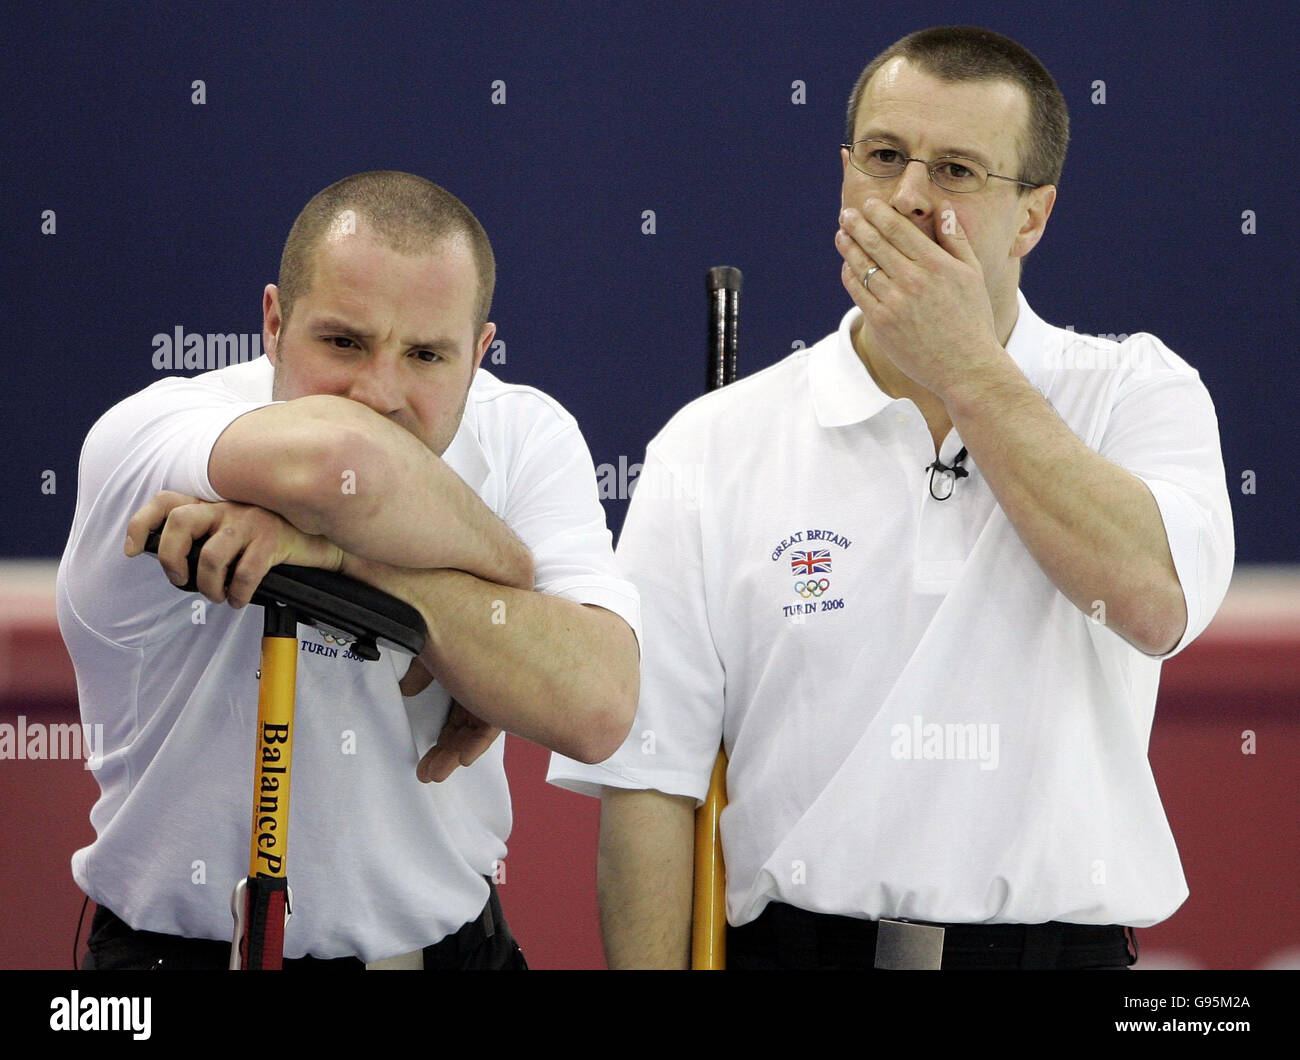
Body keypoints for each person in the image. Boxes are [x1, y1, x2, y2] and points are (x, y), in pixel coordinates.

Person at [548, 26, 1234, 970]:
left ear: (1031, 217)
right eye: (883, 158)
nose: (909, 195)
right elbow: (649, 787)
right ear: (844, 174)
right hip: (795, 952)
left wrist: (962, 364)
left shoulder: (1134, 391)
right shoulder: (715, 443)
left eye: (957, 170)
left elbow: (1155, 605)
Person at [58, 170, 641, 970]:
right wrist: (505, 584)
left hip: (451, 954)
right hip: (178, 958)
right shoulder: (158, 435)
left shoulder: (525, 437)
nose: (379, 393)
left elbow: (598, 705)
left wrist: (343, 561)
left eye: (427, 355)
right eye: (342, 342)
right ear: (272, 322)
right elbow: (346, 459)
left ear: (480, 354)